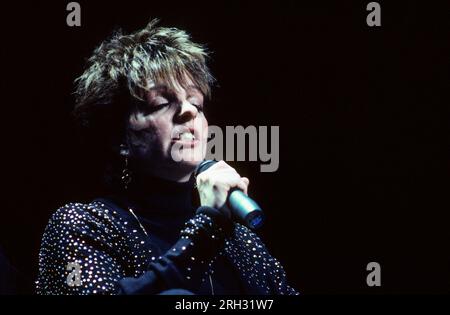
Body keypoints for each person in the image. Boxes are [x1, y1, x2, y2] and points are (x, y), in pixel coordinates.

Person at [35, 19, 298, 295]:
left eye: (196, 102)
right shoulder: (83, 225)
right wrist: (206, 227)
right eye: (161, 103)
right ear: (119, 138)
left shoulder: (240, 242)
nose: (189, 112)